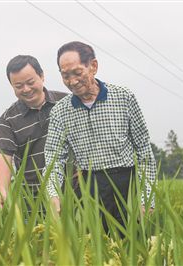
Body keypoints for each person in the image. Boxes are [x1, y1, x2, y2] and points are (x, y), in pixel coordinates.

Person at [44, 41, 157, 231]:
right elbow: (53, 158)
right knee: (97, 249)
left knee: (133, 247)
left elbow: (144, 150)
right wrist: (53, 195)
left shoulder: (123, 97)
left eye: (77, 73)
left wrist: (147, 199)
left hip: (127, 184)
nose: (72, 81)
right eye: (65, 76)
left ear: (93, 66)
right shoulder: (60, 111)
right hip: (90, 187)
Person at [0, 55, 67, 209]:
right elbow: (4, 157)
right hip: (32, 199)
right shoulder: (8, 119)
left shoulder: (66, 102)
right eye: (19, 86)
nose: (26, 89)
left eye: (30, 82)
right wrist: (3, 190)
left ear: (42, 76)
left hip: (73, 193)